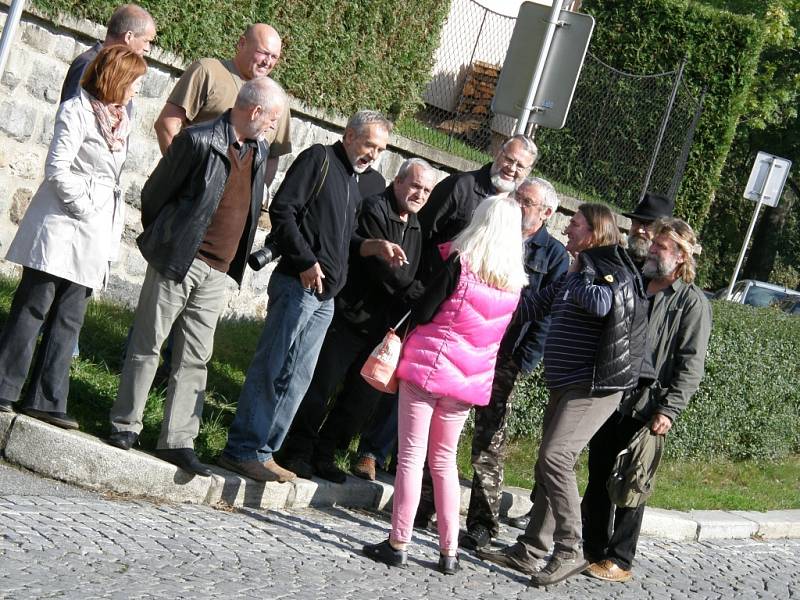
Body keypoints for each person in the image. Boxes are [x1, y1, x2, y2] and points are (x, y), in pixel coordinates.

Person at [107, 77, 288, 477]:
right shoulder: (199, 139)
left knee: (195, 358)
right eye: (273, 119)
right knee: (148, 343)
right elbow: (155, 195)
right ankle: (125, 425)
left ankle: (178, 440)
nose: (275, 128)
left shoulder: (258, 150)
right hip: (180, 259)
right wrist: (171, 240)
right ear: (255, 111)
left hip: (219, 272)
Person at [218, 111, 405, 483]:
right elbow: (284, 212)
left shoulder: (357, 181)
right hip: (297, 285)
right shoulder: (319, 159)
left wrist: (372, 246)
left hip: (325, 297)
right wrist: (305, 261)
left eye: (381, 149)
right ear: (349, 135)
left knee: (299, 377)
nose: (374, 154)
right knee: (272, 367)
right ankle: (241, 449)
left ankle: (267, 451)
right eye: (370, 144)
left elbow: (342, 240)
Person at [478, 203, 649, 587]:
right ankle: (531, 548)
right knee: (548, 463)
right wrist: (487, 297)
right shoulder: (582, 270)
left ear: (593, 232)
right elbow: (536, 305)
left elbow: (602, 304)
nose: (566, 227)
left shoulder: (611, 268)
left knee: (556, 457)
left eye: (574, 223)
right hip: (566, 382)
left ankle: (571, 548)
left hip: (593, 386)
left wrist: (577, 272)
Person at [361, 195, 528, 575]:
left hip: (429, 367)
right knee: (445, 462)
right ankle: (448, 551)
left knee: (411, 457)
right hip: (469, 381)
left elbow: (424, 310)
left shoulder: (461, 264)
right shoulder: (514, 284)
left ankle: (398, 541)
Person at [0, 47, 147, 427]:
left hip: (93, 232)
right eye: (133, 82)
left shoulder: (121, 121)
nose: (136, 91)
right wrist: (83, 206)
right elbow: (56, 168)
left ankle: (47, 400)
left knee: (70, 316)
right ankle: (5, 387)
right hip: (62, 224)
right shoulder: (76, 110)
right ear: (115, 78)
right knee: (34, 307)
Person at [279, 158, 436, 483]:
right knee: (321, 387)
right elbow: (382, 268)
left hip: (381, 328)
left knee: (359, 400)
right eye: (415, 185)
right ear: (398, 181)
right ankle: (296, 450)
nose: (419, 194)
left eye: (426, 190)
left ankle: (326, 453)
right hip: (348, 315)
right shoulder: (375, 209)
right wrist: (420, 294)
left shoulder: (417, 225)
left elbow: (410, 270)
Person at [582, 218, 711, 583]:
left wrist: (669, 409)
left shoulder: (691, 302)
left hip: (647, 406)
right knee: (598, 475)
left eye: (661, 247)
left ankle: (620, 559)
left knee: (631, 483)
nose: (652, 250)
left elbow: (691, 362)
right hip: (612, 394)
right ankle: (591, 550)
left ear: (682, 256)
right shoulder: (638, 283)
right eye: (654, 244)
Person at [460, 177, 569, 551]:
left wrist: (522, 362)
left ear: (546, 213)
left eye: (527, 201)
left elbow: (546, 317)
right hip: (470, 343)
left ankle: (483, 524)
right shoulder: (495, 232)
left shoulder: (553, 255)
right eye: (517, 197)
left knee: (489, 441)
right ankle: (428, 504)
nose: (517, 204)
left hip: (507, 354)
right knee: (447, 425)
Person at [154, 23, 291, 185]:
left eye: (274, 57)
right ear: (241, 43)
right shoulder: (208, 72)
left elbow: (272, 157)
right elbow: (167, 123)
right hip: (186, 194)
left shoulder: (276, 99)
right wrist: (182, 176)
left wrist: (254, 199)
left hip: (234, 205)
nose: (267, 62)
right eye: (263, 53)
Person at [418, 134, 537, 281]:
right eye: (509, 159)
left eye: (520, 166)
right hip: (432, 282)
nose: (512, 168)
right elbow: (420, 232)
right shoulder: (460, 186)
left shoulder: (517, 207)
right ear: (499, 153)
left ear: (528, 171)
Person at [60, 4, 155, 103]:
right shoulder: (90, 64)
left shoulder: (117, 66)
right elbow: (73, 111)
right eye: (146, 41)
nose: (147, 49)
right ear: (128, 36)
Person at [622, 192, 675, 269]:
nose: (640, 230)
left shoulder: (662, 277)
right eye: (636, 222)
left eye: (649, 225)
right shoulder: (616, 259)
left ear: (664, 232)